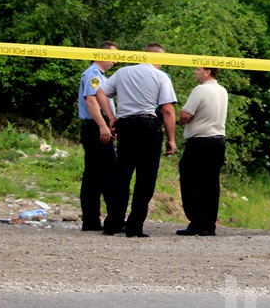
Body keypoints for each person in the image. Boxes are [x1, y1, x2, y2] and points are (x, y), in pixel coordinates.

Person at [95, 43, 178, 237]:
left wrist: (111, 117)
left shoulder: (123, 72)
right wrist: (171, 139)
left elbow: (100, 92)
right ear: (159, 59)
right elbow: (167, 109)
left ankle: (113, 223)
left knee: (122, 175)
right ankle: (134, 226)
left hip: (126, 127)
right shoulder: (160, 77)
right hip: (148, 127)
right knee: (145, 178)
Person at [176, 67, 228, 236]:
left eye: (198, 69)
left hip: (200, 141)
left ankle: (196, 221)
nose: (194, 72)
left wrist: (179, 120)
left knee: (191, 180)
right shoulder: (222, 90)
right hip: (218, 140)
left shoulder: (200, 90)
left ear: (207, 72)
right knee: (211, 183)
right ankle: (209, 223)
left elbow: (185, 115)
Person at [77, 41, 118, 231]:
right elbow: (92, 100)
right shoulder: (93, 75)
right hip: (95, 127)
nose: (115, 61)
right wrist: (103, 125)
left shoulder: (100, 76)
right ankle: (96, 219)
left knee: (96, 173)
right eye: (114, 56)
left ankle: (92, 219)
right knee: (103, 172)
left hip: (98, 126)